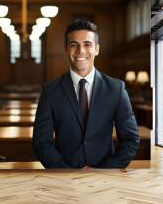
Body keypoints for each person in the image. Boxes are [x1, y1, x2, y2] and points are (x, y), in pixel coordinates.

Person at [32, 19, 140, 169]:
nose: (81, 51)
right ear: (66, 50)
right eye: (74, 45)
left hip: (106, 178)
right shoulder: (50, 91)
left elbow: (131, 139)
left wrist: (105, 171)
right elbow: (42, 143)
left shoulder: (116, 89)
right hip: (63, 179)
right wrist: (66, 173)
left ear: (97, 49)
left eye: (87, 44)